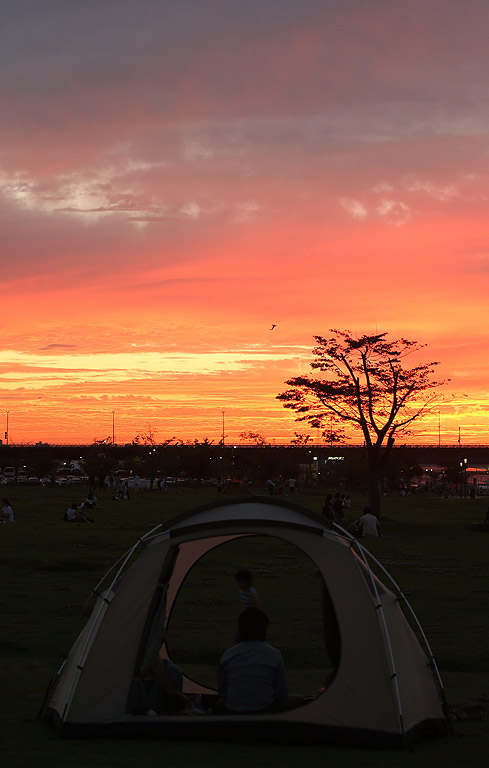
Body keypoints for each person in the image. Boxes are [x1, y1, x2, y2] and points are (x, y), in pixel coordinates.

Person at [217, 608, 288, 714]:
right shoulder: (274, 654)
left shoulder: (228, 655)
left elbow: (222, 692)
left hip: (233, 712)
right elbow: (281, 693)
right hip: (264, 712)